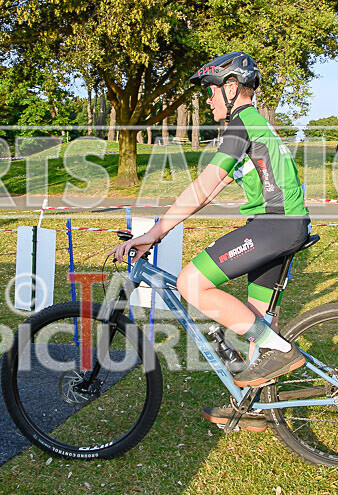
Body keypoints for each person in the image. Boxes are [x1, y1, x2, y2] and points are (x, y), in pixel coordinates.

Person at [111, 52, 311, 432]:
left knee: (190, 282)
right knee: (253, 320)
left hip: (276, 225)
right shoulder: (252, 125)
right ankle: (252, 407)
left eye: (212, 91)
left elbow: (205, 187)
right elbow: (217, 185)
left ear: (232, 88)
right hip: (281, 224)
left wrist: (155, 233)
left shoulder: (243, 124)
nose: (208, 99)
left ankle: (280, 350)